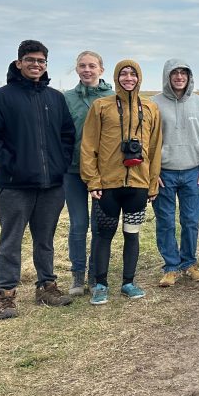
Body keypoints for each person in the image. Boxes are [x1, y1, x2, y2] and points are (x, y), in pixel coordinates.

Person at [0, 40, 75, 319]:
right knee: (11, 240)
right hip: (15, 185)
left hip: (52, 185)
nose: (36, 65)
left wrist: (60, 164)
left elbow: (67, 135)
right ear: (19, 63)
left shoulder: (55, 99)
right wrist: (12, 165)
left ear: (46, 65)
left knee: (45, 239)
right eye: (30, 60)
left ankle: (47, 286)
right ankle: (5, 294)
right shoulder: (1, 98)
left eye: (41, 61)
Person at [80, 60, 163, 305]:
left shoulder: (150, 108)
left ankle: (128, 282)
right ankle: (101, 285)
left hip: (138, 185)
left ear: (139, 78)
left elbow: (156, 147)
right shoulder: (101, 106)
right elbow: (88, 145)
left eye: (133, 74)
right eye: (124, 73)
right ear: (116, 77)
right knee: (104, 235)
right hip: (107, 184)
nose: (129, 78)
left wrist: (152, 184)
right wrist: (93, 180)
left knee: (132, 234)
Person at [152, 58, 199, 286]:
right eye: (174, 73)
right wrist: (151, 172)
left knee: (190, 220)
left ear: (189, 77)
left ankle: (189, 263)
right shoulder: (153, 104)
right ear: (167, 76)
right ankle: (171, 267)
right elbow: (148, 141)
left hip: (191, 171)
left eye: (183, 73)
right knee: (165, 221)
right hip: (164, 173)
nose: (179, 77)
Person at [63, 50, 113, 296]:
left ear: (101, 70)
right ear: (77, 69)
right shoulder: (67, 98)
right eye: (82, 66)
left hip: (102, 172)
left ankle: (96, 275)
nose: (87, 70)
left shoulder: (112, 97)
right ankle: (77, 276)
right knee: (78, 224)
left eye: (92, 66)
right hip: (72, 171)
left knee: (99, 225)